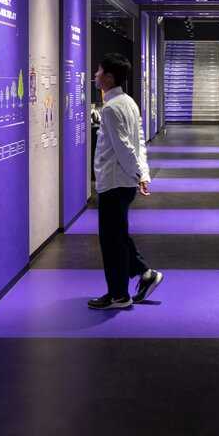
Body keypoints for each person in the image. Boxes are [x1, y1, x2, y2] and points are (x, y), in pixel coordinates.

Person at [87, 53, 163, 311]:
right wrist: (143, 174)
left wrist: (138, 174)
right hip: (124, 181)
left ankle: (119, 295)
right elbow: (139, 142)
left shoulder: (110, 109)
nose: (95, 75)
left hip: (114, 182)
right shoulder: (129, 102)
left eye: (99, 71)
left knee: (111, 242)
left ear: (109, 77)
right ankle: (145, 273)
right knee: (117, 235)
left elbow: (124, 148)